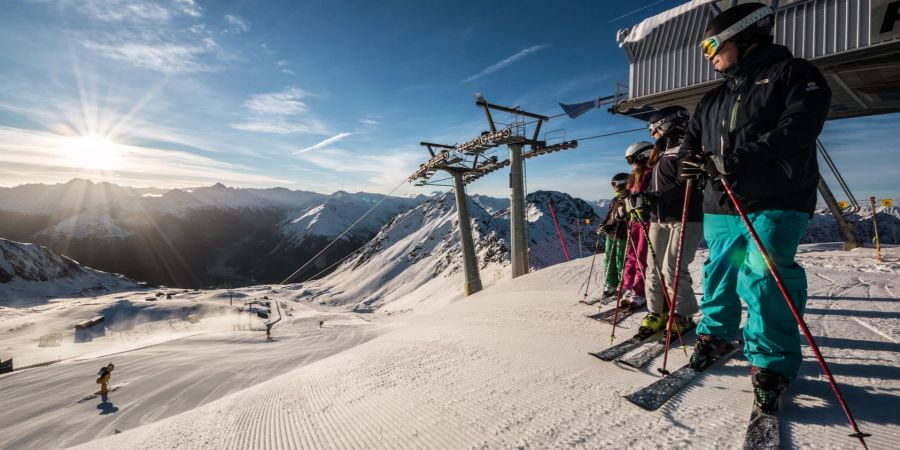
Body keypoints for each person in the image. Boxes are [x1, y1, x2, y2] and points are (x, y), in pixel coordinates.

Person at [678, 2, 831, 414]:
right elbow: (692, 144)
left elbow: (799, 129)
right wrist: (691, 163)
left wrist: (732, 162)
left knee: (763, 277)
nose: (707, 53)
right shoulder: (711, 99)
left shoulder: (793, 75)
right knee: (719, 271)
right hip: (721, 203)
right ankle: (717, 334)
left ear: (745, 36)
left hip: (776, 199)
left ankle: (770, 364)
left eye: (711, 43)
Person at [635, 106, 704, 337]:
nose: (651, 133)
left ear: (665, 124)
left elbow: (687, 183)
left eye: (652, 127)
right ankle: (657, 311)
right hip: (659, 219)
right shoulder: (662, 153)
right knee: (653, 269)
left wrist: (654, 196)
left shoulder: (687, 148)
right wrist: (643, 201)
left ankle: (682, 315)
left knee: (672, 269)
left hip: (684, 218)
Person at [619, 141, 655, 308]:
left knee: (641, 256)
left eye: (631, 159)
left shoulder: (651, 173)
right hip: (634, 220)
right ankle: (629, 286)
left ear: (643, 155)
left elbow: (652, 196)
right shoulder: (635, 176)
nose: (631, 163)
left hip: (647, 220)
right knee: (631, 255)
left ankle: (639, 290)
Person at [595, 172, 630, 299]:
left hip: (623, 235)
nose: (613, 187)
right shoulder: (616, 200)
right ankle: (611, 284)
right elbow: (610, 216)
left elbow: (628, 219)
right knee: (609, 260)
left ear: (623, 184)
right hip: (611, 234)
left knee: (621, 260)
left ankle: (624, 285)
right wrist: (603, 224)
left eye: (614, 184)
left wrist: (612, 226)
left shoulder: (630, 199)